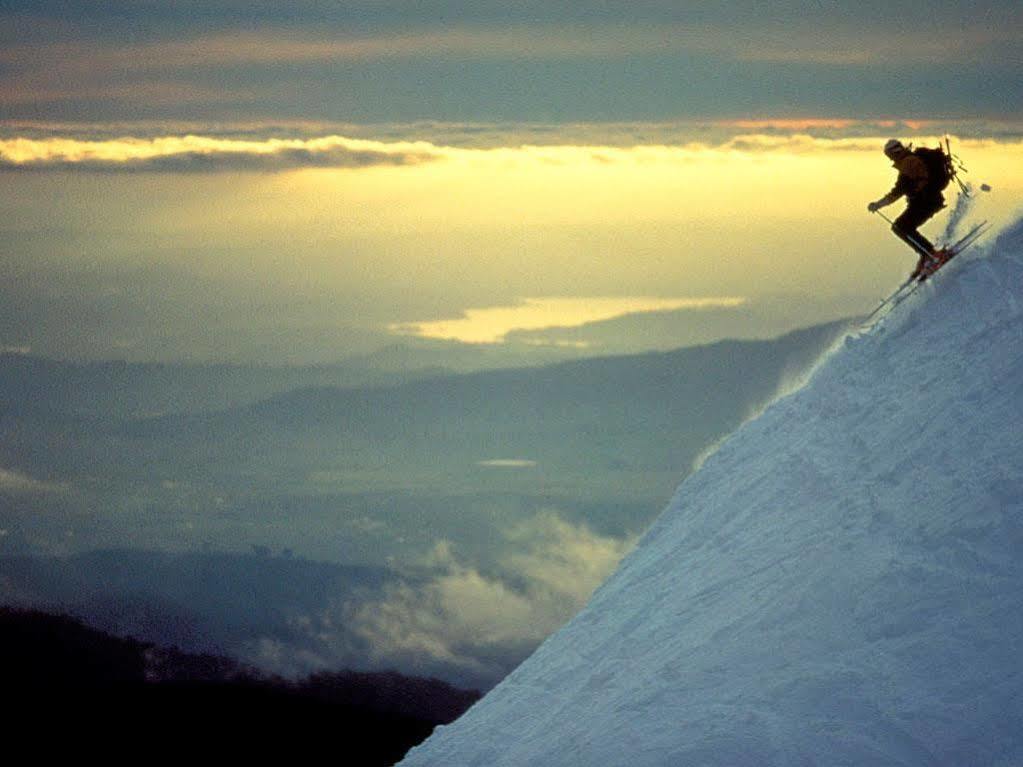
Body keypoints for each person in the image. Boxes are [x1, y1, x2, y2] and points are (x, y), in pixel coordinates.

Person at [867, 138, 946, 276]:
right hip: (929, 200)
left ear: (893, 153)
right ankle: (927, 253)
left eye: (889, 155)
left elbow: (897, 191)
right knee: (902, 227)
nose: (890, 159)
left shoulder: (908, 164)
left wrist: (878, 205)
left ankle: (931, 254)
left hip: (927, 201)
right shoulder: (909, 160)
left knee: (901, 227)